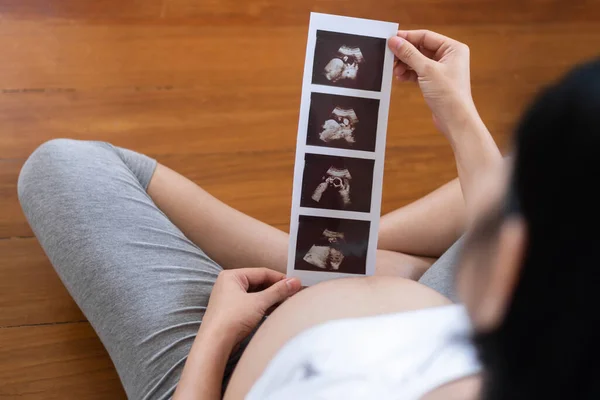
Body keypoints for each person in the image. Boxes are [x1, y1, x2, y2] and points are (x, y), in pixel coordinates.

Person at [16, 29, 600, 400]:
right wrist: (458, 113)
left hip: (228, 361)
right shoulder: (550, 347)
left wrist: (216, 338)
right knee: (552, 166)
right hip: (445, 311)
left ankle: (325, 255)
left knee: (61, 168)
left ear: (512, 269)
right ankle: (344, 253)